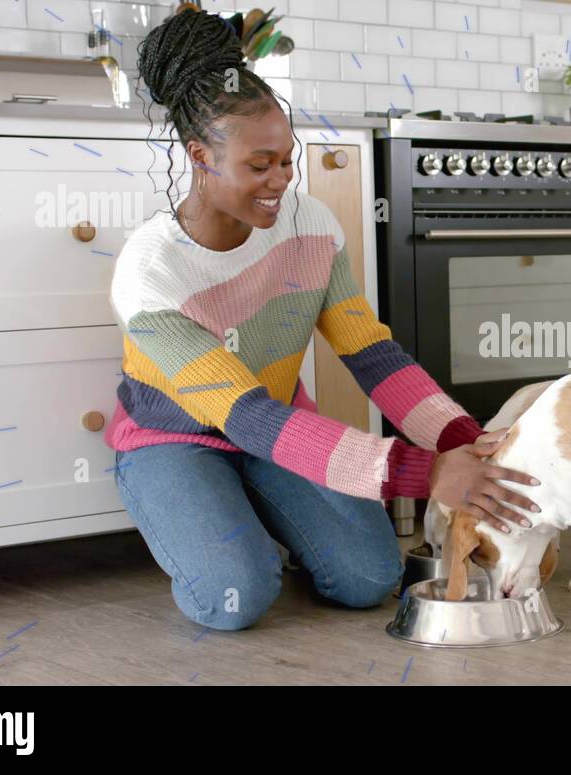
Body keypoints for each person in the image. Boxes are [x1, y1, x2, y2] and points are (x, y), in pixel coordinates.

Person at [106, 8, 540, 630]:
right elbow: (246, 416)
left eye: (287, 159)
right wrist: (426, 472)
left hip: (277, 426)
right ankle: (221, 521)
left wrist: (460, 441)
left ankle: (258, 504)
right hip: (176, 439)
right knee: (234, 599)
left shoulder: (308, 225)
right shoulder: (151, 274)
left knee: (369, 577)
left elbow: (371, 353)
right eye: (260, 166)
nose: (281, 181)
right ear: (199, 156)